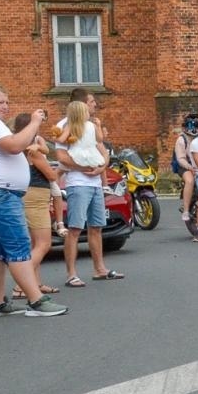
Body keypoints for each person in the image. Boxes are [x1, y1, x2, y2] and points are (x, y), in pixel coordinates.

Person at [0, 82, 66, 316]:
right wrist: (35, 122)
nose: (5, 106)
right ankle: (36, 301)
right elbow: (14, 146)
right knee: (19, 244)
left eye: (7, 102)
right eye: (0, 102)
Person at [54, 100, 122, 286]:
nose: (92, 108)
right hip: (78, 183)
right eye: (89, 105)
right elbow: (61, 156)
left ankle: (100, 269)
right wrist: (83, 167)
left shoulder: (91, 126)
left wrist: (101, 167)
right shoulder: (66, 125)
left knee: (97, 226)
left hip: (95, 184)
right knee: (75, 228)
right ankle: (71, 274)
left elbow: (102, 148)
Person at [13, 112, 64, 296]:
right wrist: (61, 170)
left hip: (24, 194)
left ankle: (36, 283)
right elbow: (50, 175)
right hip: (36, 197)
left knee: (33, 244)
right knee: (44, 243)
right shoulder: (33, 151)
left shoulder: (17, 145)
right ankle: (21, 285)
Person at [170, 113, 198, 230]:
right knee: (190, 180)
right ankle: (186, 210)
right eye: (190, 125)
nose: (193, 128)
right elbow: (181, 158)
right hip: (184, 165)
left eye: (195, 125)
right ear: (184, 127)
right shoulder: (181, 140)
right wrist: (190, 167)